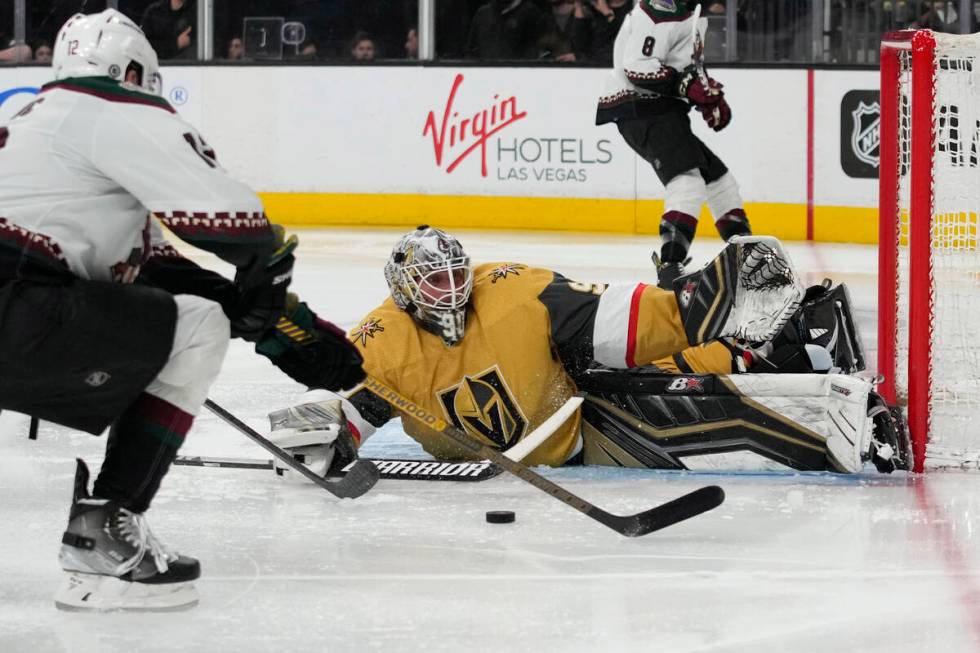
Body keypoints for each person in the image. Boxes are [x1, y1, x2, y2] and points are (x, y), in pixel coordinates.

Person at [0, 9, 364, 611]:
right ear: (134, 71)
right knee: (199, 327)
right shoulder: (110, 107)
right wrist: (268, 276)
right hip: (19, 315)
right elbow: (237, 225)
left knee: (187, 310)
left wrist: (276, 325)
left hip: (22, 306)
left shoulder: (40, 131)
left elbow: (155, 273)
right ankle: (106, 522)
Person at [261, 226, 910, 484]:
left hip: (573, 406)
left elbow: (616, 320)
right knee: (682, 421)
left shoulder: (512, 291)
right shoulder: (382, 341)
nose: (452, 289)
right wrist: (328, 435)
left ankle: (801, 335)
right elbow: (362, 407)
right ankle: (825, 414)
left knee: (672, 367)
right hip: (567, 439)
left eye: (457, 273)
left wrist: (691, 304)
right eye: (435, 281)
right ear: (404, 292)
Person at [595, 0, 752, 290]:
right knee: (688, 183)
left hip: (661, 109)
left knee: (719, 181)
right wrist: (687, 87)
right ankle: (670, 268)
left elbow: (681, 67)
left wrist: (707, 92)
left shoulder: (690, 10)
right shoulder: (662, 6)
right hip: (641, 107)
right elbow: (637, 68)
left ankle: (746, 259)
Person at [466, 0, 552, 60]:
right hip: (484, 78)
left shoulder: (532, 14)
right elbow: (471, 51)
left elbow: (538, 54)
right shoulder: (483, 14)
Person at [570, 0, 631, 64]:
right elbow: (579, 46)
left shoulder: (635, 8)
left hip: (615, 66)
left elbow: (624, 41)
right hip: (590, 66)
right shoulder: (591, 8)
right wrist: (579, 7)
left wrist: (607, 13)